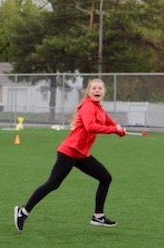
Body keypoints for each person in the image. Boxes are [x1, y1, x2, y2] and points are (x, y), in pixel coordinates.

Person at [14, 78, 126, 231]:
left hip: (82, 154)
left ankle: (98, 216)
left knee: (105, 178)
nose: (97, 90)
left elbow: (109, 121)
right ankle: (23, 211)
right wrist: (114, 130)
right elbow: (90, 126)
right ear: (88, 91)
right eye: (94, 88)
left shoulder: (99, 108)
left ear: (104, 92)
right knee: (52, 184)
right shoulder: (87, 106)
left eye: (100, 88)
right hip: (69, 152)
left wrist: (119, 130)